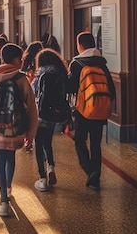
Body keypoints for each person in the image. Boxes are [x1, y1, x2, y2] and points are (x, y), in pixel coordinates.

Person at [0, 43, 39, 217]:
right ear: (13, 60)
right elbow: (31, 109)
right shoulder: (21, 79)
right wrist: (31, 133)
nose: (21, 62)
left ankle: (3, 200)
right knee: (10, 157)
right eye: (20, 59)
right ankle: (8, 187)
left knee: (0, 160)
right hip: (15, 129)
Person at [67, 32, 116, 190]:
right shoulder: (102, 63)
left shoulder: (76, 64)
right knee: (96, 143)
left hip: (82, 111)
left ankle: (89, 170)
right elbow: (112, 90)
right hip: (100, 110)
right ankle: (96, 177)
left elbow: (71, 88)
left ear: (80, 45)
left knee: (80, 140)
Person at [30, 48, 68, 191]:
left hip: (41, 114)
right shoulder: (60, 74)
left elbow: (37, 95)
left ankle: (42, 178)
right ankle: (50, 167)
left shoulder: (41, 75)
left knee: (38, 145)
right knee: (48, 143)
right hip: (54, 114)